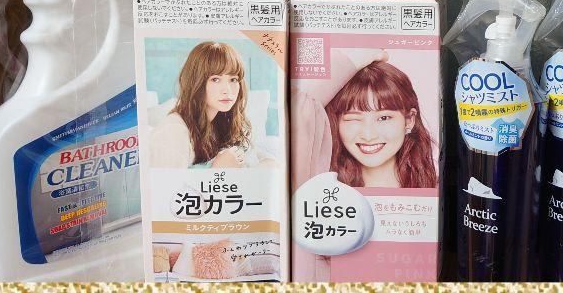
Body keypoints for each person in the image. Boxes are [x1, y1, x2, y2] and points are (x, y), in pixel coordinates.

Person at [292, 49, 438, 278]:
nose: (368, 134)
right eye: (352, 119)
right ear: (337, 123)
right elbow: (297, 110)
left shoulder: (435, 194)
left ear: (409, 120)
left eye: (384, 117)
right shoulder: (321, 192)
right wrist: (355, 59)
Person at [149, 40, 274, 169]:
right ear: (196, 82)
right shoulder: (173, 131)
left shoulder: (223, 123)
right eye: (215, 79)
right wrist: (217, 169)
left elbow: (268, 160)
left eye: (233, 79)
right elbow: (166, 182)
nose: (227, 90)